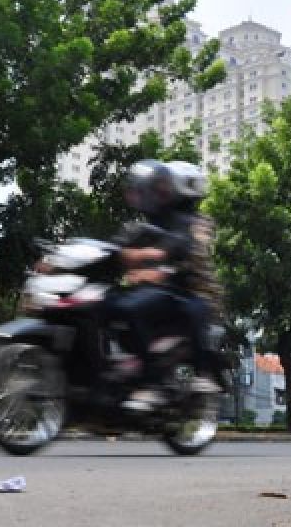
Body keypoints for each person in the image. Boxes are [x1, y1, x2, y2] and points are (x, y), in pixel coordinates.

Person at [108, 159, 221, 411]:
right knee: (112, 303)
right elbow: (117, 247)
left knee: (136, 307)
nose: (158, 191)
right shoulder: (151, 222)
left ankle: (157, 382)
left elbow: (186, 253)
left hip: (192, 294)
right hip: (162, 292)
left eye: (163, 186)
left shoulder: (195, 223)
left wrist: (154, 267)